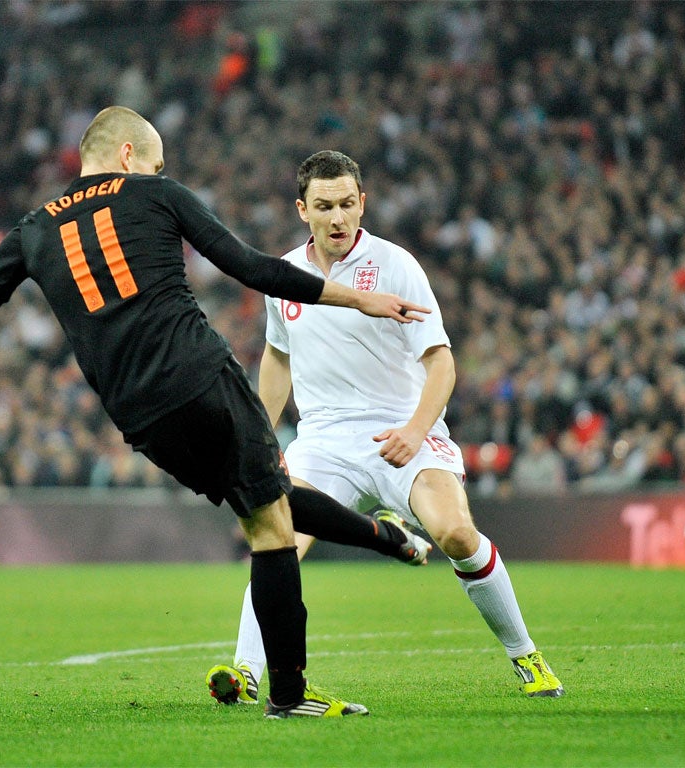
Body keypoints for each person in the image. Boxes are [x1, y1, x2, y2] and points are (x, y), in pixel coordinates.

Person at [0, 106, 436, 719]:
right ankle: (289, 696)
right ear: (127, 157)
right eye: (154, 161)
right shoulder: (156, 193)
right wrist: (358, 299)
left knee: (260, 498)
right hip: (199, 377)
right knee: (272, 527)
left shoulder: (32, 230)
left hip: (138, 415)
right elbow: (251, 267)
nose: (157, 170)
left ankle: (387, 539)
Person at [206, 150, 564, 701]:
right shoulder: (284, 276)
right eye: (324, 206)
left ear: (362, 203)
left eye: (347, 204)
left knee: (455, 534)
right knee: (277, 538)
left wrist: (416, 431)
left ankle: (526, 656)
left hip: (404, 431)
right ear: (303, 209)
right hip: (322, 443)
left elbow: (441, 362)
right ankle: (247, 672)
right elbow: (278, 360)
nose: (338, 218)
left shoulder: (396, 265)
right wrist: (258, 434)